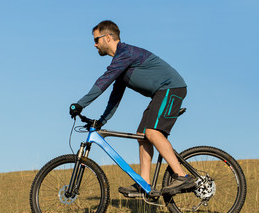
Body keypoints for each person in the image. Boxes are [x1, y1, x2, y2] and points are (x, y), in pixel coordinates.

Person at [69, 20, 195, 195]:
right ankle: (144, 184)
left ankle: (182, 176)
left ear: (107, 38)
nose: (95, 44)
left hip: (171, 88)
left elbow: (104, 81)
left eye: (96, 40)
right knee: (143, 136)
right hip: (161, 92)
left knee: (152, 132)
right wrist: (102, 121)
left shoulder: (125, 53)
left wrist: (80, 104)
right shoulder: (120, 63)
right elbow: (114, 98)